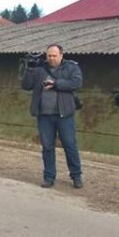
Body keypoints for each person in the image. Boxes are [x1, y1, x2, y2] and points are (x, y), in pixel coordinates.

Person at [21, 43, 83, 188]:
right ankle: (49, 177)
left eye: (55, 55)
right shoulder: (40, 69)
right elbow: (25, 85)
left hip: (64, 114)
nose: (52, 58)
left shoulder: (71, 67)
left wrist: (56, 84)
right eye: (49, 55)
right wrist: (29, 69)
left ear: (61, 55)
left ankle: (76, 176)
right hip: (44, 114)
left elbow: (76, 83)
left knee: (70, 145)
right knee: (47, 147)